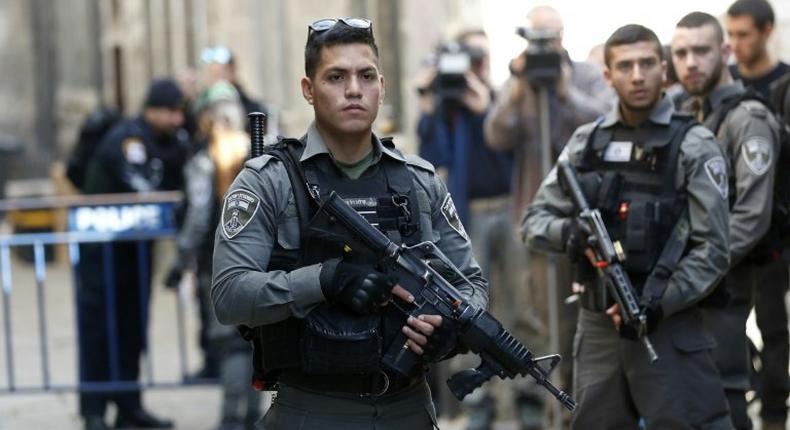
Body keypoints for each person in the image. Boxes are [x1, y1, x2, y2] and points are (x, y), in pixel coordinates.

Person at [211, 18, 489, 429]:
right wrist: (325, 280)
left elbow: (471, 284)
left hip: (407, 409)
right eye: (336, 77)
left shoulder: (419, 181)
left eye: (366, 76)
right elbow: (230, 294)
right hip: (310, 409)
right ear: (309, 90)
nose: (354, 89)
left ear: (382, 84)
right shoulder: (268, 180)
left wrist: (451, 326)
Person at [523, 24, 733, 429]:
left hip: (668, 325)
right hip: (599, 327)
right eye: (625, 66)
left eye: (647, 63)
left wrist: (661, 302)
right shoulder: (587, 143)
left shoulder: (694, 144)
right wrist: (571, 235)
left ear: (664, 70)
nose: (637, 75)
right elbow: (534, 222)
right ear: (608, 76)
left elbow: (713, 249)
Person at [484, 7, 613, 426]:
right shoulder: (518, 81)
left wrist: (562, 91)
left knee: (578, 321)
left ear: (563, 36)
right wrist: (521, 86)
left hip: (582, 219)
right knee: (537, 318)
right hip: (534, 217)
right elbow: (496, 134)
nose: (544, 46)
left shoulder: (585, 76)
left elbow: (603, 121)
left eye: (550, 37)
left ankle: (581, 406)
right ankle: (548, 408)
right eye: (536, 37)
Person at [671, 11, 783, 429]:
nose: (690, 62)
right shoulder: (685, 110)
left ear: (724, 51)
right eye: (681, 53)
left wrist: (700, 266)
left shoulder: (747, 118)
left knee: (726, 398)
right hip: (688, 282)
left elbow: (752, 215)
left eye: (701, 51)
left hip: (728, 283)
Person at [416, 30, 522, 429]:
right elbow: (432, 156)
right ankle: (476, 402)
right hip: (468, 213)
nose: (472, 64)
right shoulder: (447, 106)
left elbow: (509, 142)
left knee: (518, 306)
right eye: (465, 55)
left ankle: (520, 397)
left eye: (478, 54)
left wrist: (487, 104)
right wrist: (429, 100)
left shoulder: (499, 98)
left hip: (509, 209)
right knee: (468, 307)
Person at [78, 78, 190, 430]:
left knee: (132, 330)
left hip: (135, 254)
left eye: (179, 113)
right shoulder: (125, 139)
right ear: (151, 110)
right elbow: (142, 188)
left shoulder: (168, 141)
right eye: (171, 112)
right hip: (102, 252)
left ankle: (129, 405)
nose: (177, 120)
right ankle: (94, 412)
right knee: (99, 331)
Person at [168, 81, 261, 430]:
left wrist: (180, 260)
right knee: (254, 340)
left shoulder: (205, 157)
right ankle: (253, 416)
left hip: (218, 260)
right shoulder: (259, 151)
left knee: (230, 342)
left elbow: (198, 214)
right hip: (259, 260)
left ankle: (232, 418)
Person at [726, 1, 790, 426]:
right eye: (729, 35)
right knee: (726, 328)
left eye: (743, 35)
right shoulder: (725, 87)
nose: (735, 45)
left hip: (774, 234)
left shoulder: (785, 83)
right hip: (730, 230)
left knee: (773, 325)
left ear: (766, 31)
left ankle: (773, 411)